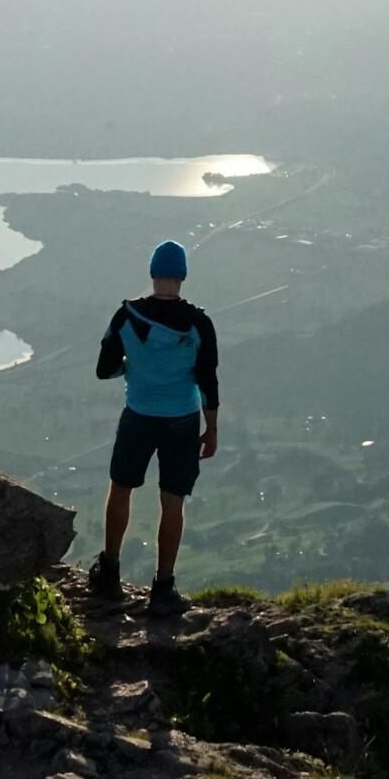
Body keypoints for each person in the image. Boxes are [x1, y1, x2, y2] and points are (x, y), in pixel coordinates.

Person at [88, 237, 219, 618]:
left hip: (139, 415)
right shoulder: (198, 324)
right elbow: (208, 381)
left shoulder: (127, 316)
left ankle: (109, 571)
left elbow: (104, 369)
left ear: (152, 273)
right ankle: (163, 588)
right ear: (182, 276)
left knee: (121, 488)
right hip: (182, 419)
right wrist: (211, 431)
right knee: (172, 501)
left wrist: (133, 365)